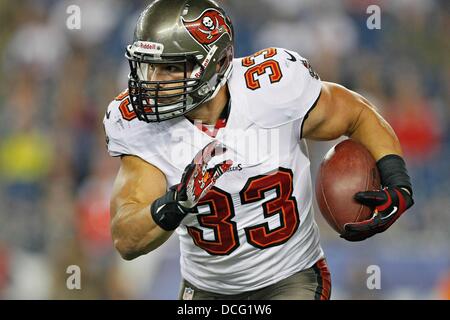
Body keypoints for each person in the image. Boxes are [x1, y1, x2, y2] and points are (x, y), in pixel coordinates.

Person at [103, 0, 414, 300]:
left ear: (217, 62)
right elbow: (126, 239)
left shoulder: (272, 88)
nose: (153, 82)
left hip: (291, 278)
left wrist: (397, 180)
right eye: (148, 67)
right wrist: (176, 203)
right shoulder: (139, 124)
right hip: (206, 288)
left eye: (170, 67)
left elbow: (357, 114)